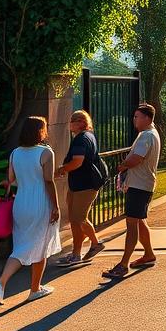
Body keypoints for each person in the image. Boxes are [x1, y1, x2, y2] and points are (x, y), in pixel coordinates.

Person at [0, 116, 62, 305]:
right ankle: (35, 289)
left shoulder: (15, 153)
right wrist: (56, 206)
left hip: (21, 203)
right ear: (41, 131)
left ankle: (0, 283)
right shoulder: (46, 152)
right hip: (40, 203)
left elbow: (11, 180)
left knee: (21, 247)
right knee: (41, 246)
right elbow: (48, 181)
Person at [102, 103, 160, 280]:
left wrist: (123, 165)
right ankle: (148, 254)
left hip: (139, 185)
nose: (134, 120)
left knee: (132, 224)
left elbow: (136, 158)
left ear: (147, 118)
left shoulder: (146, 136)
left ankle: (123, 265)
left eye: (137, 117)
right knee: (140, 221)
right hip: (143, 184)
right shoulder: (151, 133)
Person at [55, 109, 105, 265]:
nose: (70, 124)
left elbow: (77, 161)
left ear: (81, 123)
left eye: (72, 121)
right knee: (75, 220)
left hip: (84, 185)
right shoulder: (87, 136)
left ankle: (96, 243)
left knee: (79, 218)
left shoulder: (81, 139)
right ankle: (76, 254)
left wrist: (62, 169)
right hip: (79, 185)